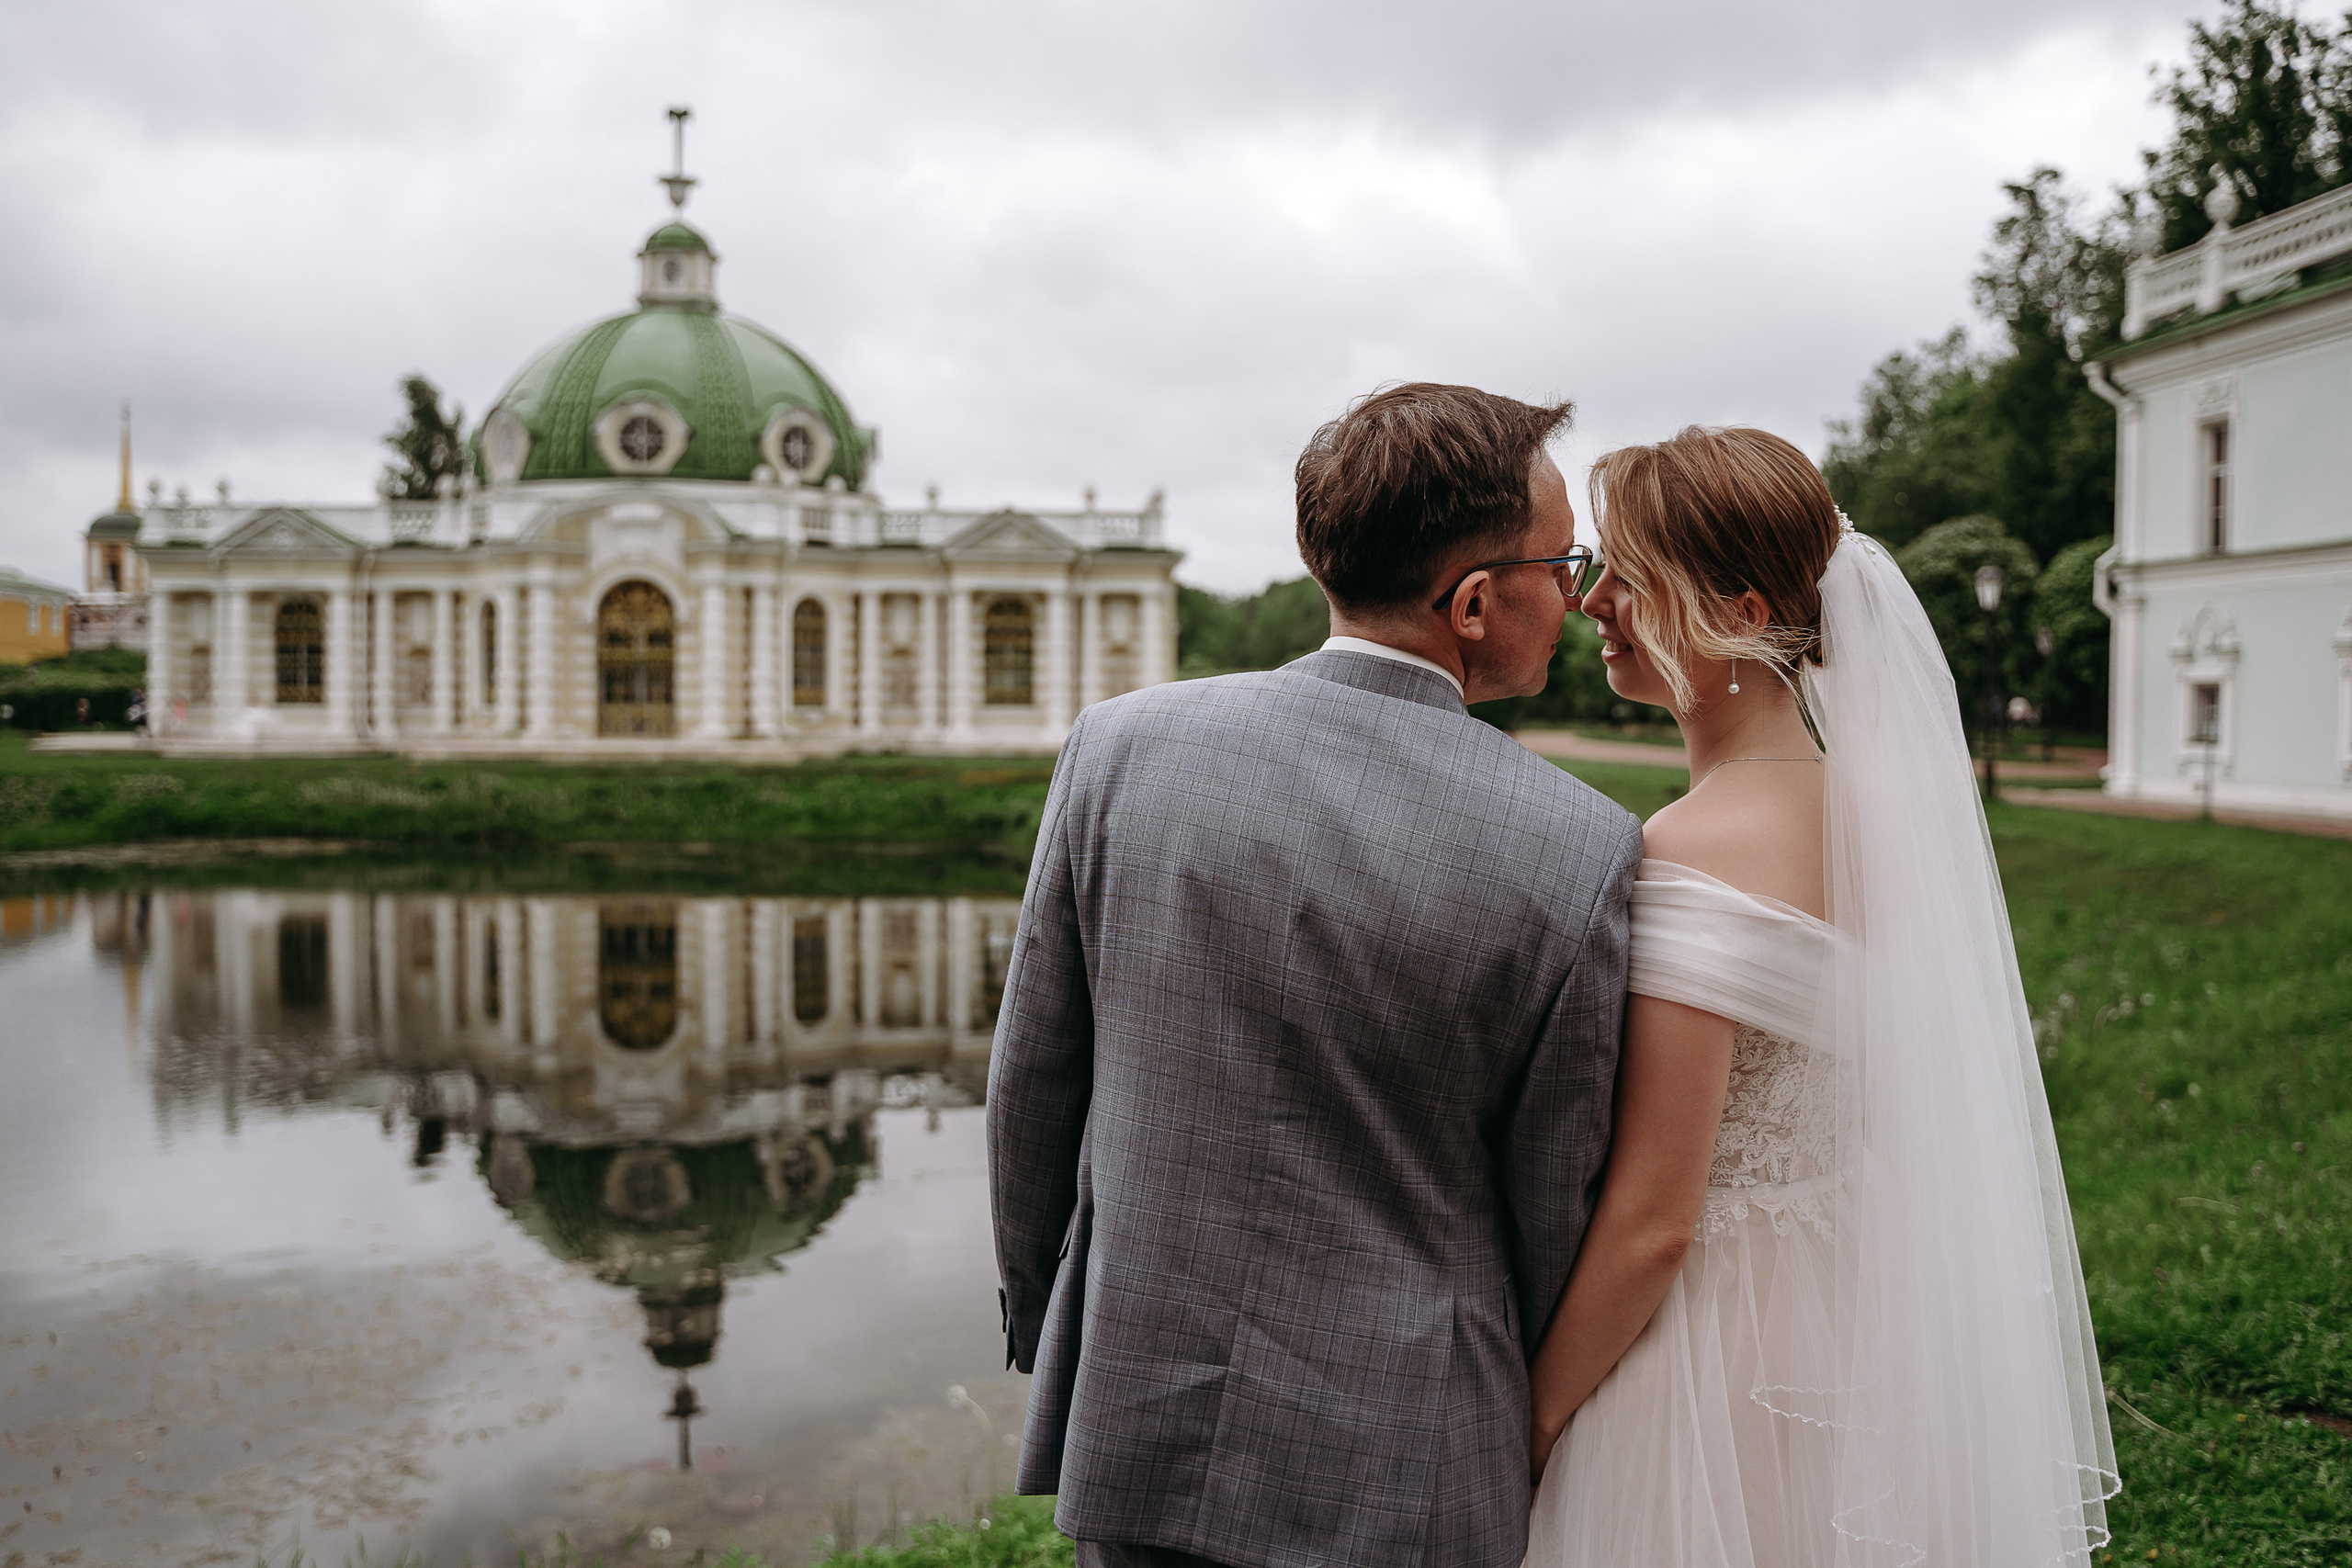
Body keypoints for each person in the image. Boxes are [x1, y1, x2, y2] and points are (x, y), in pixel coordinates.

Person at [988, 383, 1644, 1568]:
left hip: (1140, 1406)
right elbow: (1555, 1200)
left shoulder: (1118, 747)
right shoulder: (1580, 846)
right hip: (1413, 1459)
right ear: (1477, 602)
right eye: (1568, 562)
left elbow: (1034, 1084)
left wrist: (1052, 1321)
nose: (1583, 592)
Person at [1524, 427, 2117, 1567]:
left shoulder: (1689, 849)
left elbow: (1655, 1223)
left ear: (1738, 611)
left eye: (1627, 576)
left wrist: (1536, 1415)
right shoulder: (1885, 821)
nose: (1593, 602)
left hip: (1705, 1358)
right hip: (1856, 1322)